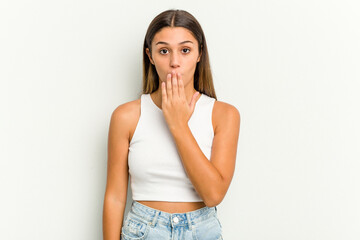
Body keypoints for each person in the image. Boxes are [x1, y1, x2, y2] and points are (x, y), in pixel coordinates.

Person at [103, 9, 240, 240]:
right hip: (144, 231)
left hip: (202, 232)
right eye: (164, 51)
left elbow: (213, 195)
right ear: (150, 55)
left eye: (185, 50)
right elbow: (115, 197)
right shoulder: (126, 116)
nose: (174, 62)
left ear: (199, 54)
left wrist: (178, 125)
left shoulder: (224, 115)